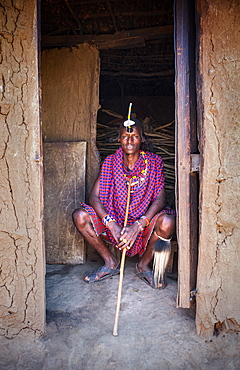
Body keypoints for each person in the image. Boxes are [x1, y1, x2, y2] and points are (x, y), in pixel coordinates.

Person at [72, 117, 175, 289]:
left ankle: (143, 266)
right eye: (125, 136)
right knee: (79, 216)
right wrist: (111, 223)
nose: (129, 140)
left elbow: (160, 199)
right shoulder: (111, 162)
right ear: (119, 139)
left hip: (143, 222)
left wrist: (139, 225)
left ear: (142, 139)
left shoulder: (154, 162)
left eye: (134, 136)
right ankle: (110, 262)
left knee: (168, 222)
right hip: (115, 221)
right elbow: (94, 197)